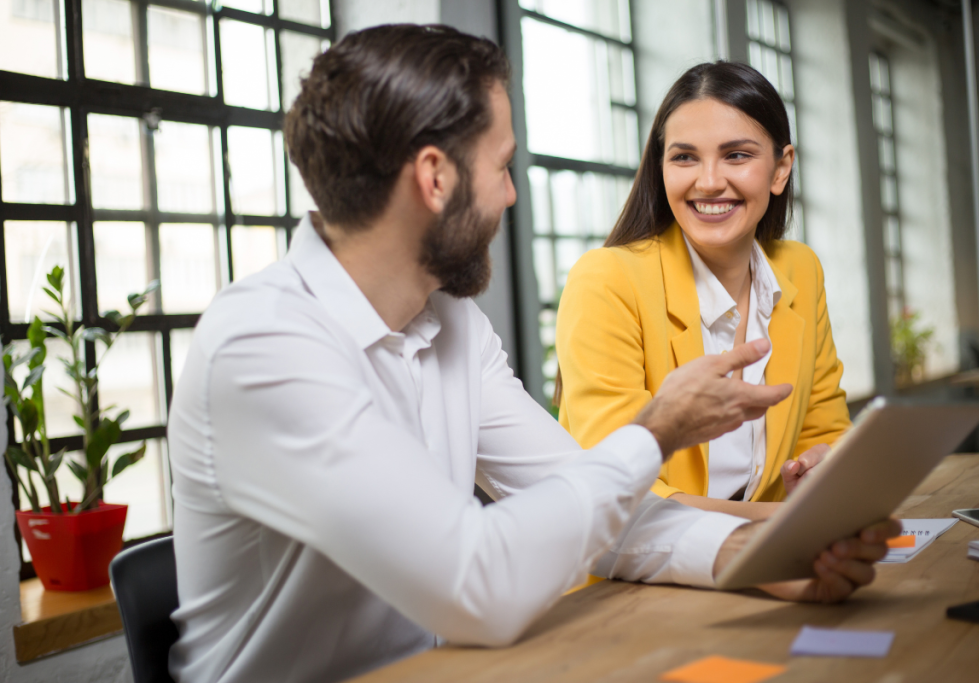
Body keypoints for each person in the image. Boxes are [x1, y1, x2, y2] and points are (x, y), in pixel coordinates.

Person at [167, 27, 897, 683]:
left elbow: (592, 503)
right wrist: (657, 431)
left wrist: (759, 560)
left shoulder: (452, 323)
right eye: (503, 166)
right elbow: (477, 581)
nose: (513, 195)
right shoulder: (262, 345)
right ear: (435, 177)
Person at [557, 62, 850, 521]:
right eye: (685, 157)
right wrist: (782, 522)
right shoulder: (606, 281)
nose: (709, 181)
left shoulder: (801, 270)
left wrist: (817, 467)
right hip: (630, 578)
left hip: (762, 561)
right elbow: (617, 488)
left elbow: (825, 425)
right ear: (662, 168)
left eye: (736, 155)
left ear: (781, 168)